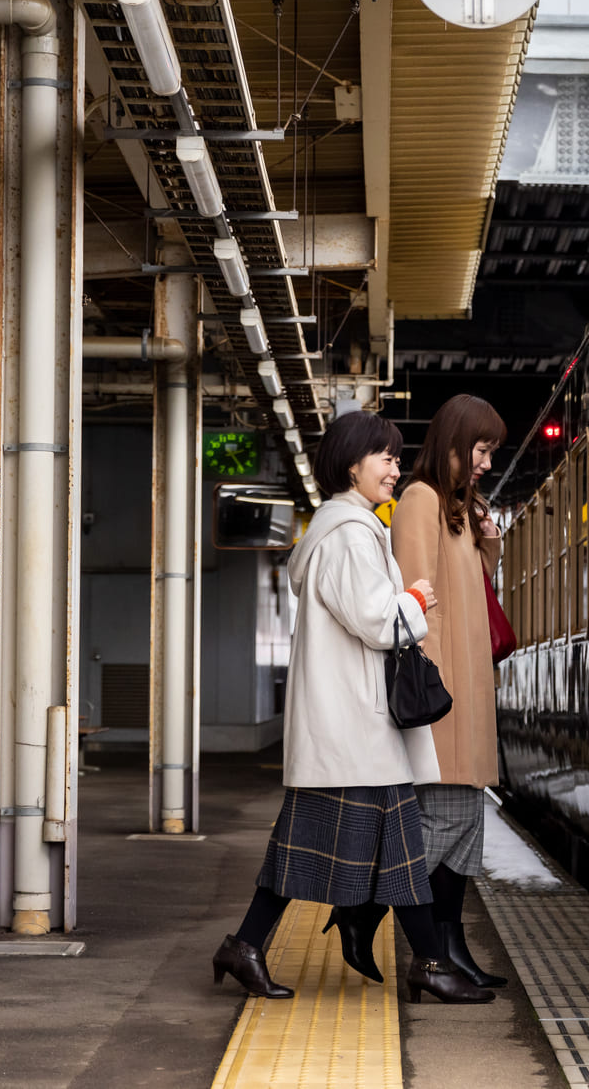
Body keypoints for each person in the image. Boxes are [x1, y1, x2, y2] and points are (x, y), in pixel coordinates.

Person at [210, 410, 494, 1005]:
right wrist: (415, 599)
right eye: (385, 458)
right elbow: (377, 621)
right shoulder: (347, 535)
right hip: (354, 735)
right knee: (375, 852)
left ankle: (250, 948)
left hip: (353, 734)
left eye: (394, 458)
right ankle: (427, 964)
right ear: (351, 466)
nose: (394, 468)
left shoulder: (346, 529)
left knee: (358, 854)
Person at [393, 394, 510, 989]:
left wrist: (488, 540)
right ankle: (432, 957)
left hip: (467, 698)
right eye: (482, 449)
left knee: (464, 832)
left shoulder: (458, 510)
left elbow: (473, 592)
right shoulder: (420, 501)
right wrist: (433, 690)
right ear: (456, 443)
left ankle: (453, 947)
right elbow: (418, 604)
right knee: (438, 832)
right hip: (443, 702)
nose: (487, 462)